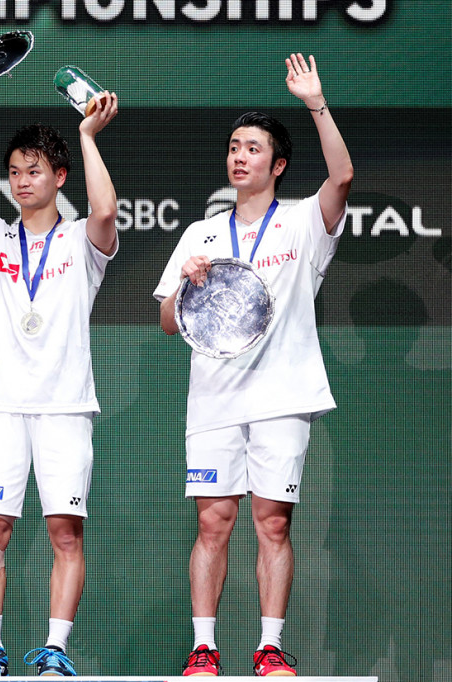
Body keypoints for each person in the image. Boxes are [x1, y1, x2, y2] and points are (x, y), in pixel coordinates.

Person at [153, 54, 353, 677]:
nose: (239, 157)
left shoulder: (303, 223)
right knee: (213, 523)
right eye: (234, 147)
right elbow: (167, 322)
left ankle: (269, 648)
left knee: (272, 523)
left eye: (253, 149)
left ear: (278, 164)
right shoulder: (199, 235)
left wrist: (315, 103)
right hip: (214, 399)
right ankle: (203, 649)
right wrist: (184, 288)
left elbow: (343, 176)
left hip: (283, 396)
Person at [0, 66, 119, 677]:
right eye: (13, 172)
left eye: (33, 171)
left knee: (65, 532)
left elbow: (107, 208)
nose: (21, 181)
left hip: (65, 406)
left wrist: (87, 136)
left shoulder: (82, 242)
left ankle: (55, 650)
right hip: (0, 406)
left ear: (59, 177)